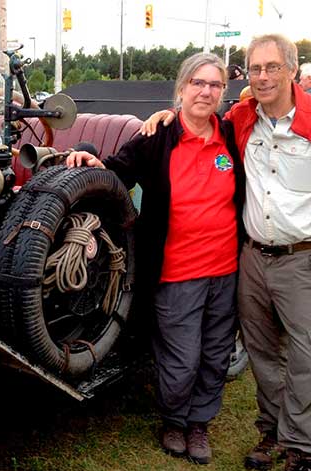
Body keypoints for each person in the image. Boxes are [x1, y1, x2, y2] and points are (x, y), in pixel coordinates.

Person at [139, 34, 311, 471]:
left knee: (306, 356)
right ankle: (271, 434)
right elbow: (198, 113)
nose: (263, 77)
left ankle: (302, 448)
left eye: (272, 67)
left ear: (292, 69)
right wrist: (167, 114)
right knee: (262, 354)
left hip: (304, 257)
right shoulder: (243, 117)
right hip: (250, 258)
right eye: (256, 68)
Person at [68, 52, 244, 466]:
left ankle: (199, 423)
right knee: (181, 356)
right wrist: (85, 157)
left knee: (216, 352)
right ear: (181, 89)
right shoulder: (156, 137)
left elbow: (262, 98)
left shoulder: (232, 136)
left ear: (223, 92)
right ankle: (174, 421)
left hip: (227, 269)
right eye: (197, 83)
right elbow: (115, 172)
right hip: (177, 269)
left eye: (215, 85)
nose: (206, 91)